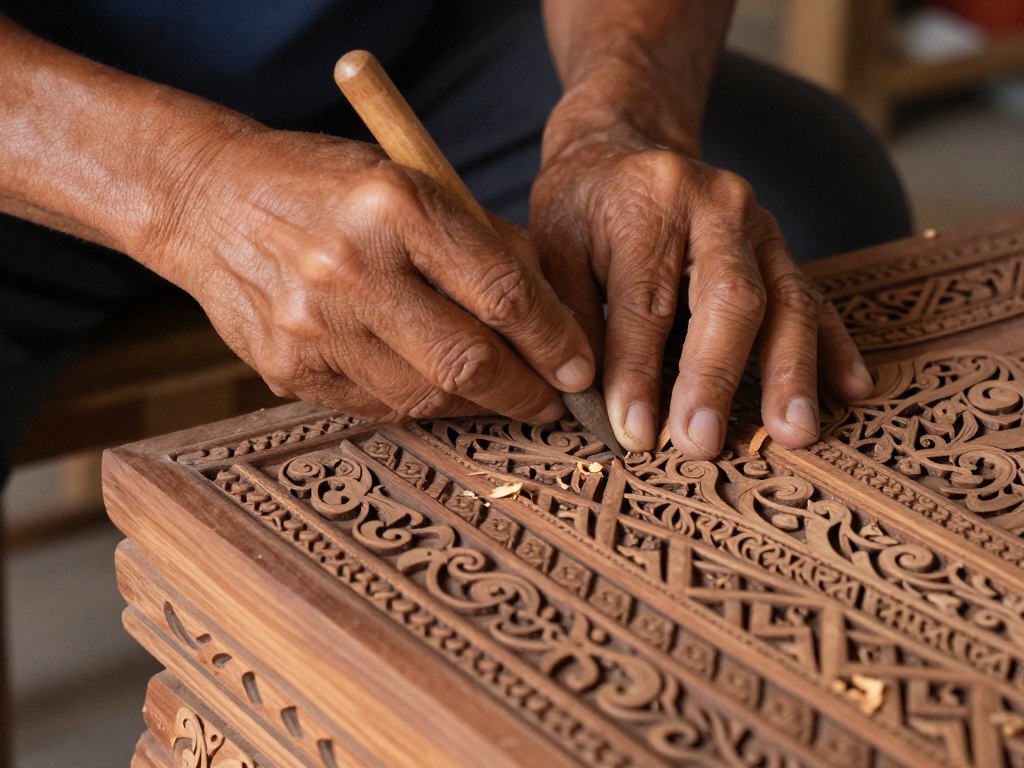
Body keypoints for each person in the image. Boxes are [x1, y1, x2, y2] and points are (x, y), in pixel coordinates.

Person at [0, 0, 912, 485]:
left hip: (405, 43)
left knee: (802, 189)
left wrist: (621, 116)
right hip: (43, 117)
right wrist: (188, 190)